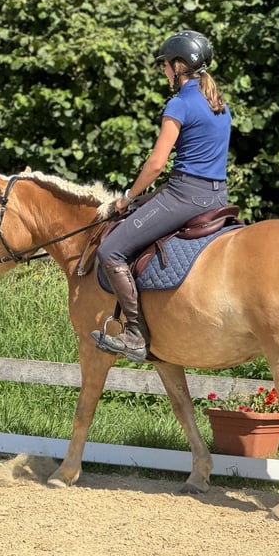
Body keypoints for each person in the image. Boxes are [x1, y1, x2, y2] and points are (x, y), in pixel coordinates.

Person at [91, 29, 232, 363]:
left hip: (185, 195)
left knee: (110, 249)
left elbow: (156, 163)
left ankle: (136, 335)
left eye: (167, 65)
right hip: (218, 197)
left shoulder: (180, 103)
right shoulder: (219, 104)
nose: (164, 71)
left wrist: (128, 197)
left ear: (180, 65)